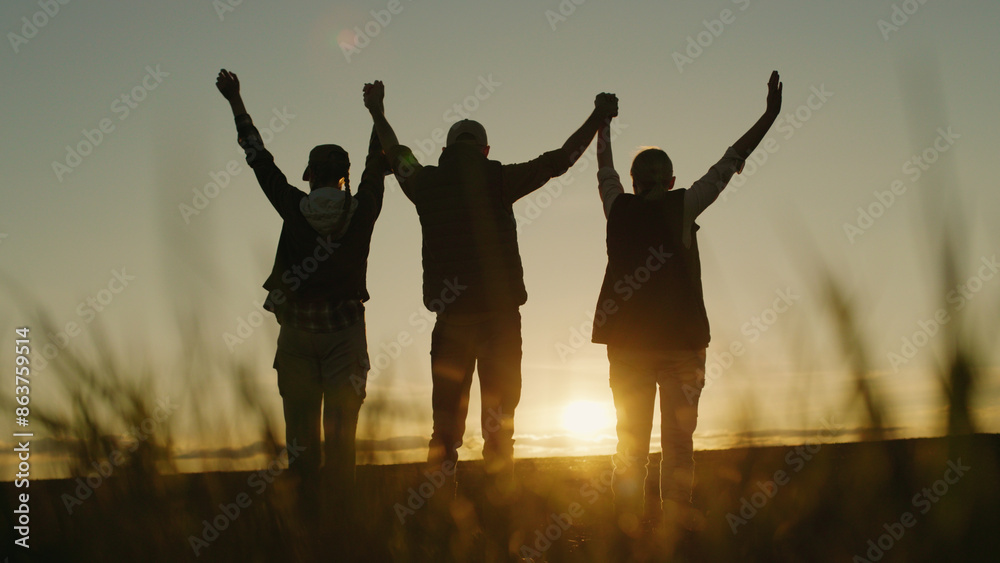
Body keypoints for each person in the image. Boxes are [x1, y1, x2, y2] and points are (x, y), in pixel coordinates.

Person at [362, 80, 618, 503]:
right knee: (499, 429)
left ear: (446, 149)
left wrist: (376, 109)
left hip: (451, 324)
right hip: (500, 323)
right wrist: (597, 117)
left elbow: (393, 148)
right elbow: (559, 160)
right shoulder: (499, 178)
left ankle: (441, 516)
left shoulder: (425, 182)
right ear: (484, 150)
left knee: (445, 431)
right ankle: (501, 517)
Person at [592, 71, 783, 534]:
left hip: (646, 348)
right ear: (662, 180)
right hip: (669, 347)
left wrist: (604, 123)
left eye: (648, 175)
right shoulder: (666, 204)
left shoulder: (631, 206)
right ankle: (657, 534)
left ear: (640, 182)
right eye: (655, 175)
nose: (654, 179)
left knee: (646, 447)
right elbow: (727, 163)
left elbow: (605, 168)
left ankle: (643, 533)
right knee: (660, 447)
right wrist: (769, 117)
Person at [215, 69, 388, 515]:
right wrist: (376, 111)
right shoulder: (363, 209)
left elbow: (258, 157)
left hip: (296, 337)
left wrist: (236, 100)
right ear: (344, 178)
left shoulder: (292, 207)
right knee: (342, 441)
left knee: (301, 444)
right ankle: (343, 525)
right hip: (345, 336)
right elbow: (377, 163)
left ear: (310, 176)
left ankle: (307, 525)